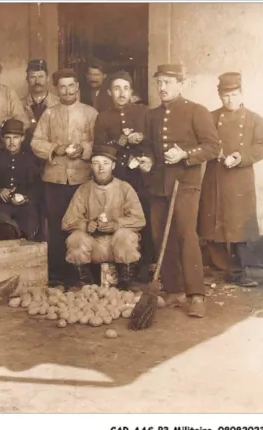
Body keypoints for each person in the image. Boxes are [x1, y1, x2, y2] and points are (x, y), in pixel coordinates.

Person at [137, 64, 221, 318]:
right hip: (158, 184)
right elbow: (151, 147)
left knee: (186, 234)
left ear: (181, 84)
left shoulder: (197, 111)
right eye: (159, 82)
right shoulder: (151, 116)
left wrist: (185, 154)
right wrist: (148, 160)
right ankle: (174, 290)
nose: (162, 87)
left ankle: (196, 295)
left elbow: (213, 147)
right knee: (160, 235)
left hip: (185, 183)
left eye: (168, 82)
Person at [199, 72, 263, 287]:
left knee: (239, 225)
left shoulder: (255, 119)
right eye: (225, 95)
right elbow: (203, 142)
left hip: (240, 179)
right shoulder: (210, 118)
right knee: (213, 223)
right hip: (215, 177)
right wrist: (214, 153)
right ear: (220, 96)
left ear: (241, 93)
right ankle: (220, 270)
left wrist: (240, 156)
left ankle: (240, 272)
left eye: (233, 94)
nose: (229, 99)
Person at [31, 68, 98, 286]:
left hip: (81, 179)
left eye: (71, 85)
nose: (67, 90)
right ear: (56, 89)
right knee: (57, 227)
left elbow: (99, 143)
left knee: (81, 225)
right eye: (62, 86)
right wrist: (56, 148)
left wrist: (84, 149)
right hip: (55, 180)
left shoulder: (90, 113)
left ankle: (81, 274)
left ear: (78, 87)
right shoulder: (49, 113)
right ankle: (59, 277)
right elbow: (36, 143)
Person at [94, 70, 155, 281]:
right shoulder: (102, 117)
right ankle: (121, 269)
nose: (122, 93)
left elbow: (153, 142)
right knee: (117, 219)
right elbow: (99, 147)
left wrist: (146, 152)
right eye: (117, 88)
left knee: (143, 219)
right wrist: (120, 141)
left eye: (126, 88)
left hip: (141, 177)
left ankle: (144, 267)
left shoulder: (144, 113)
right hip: (117, 177)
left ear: (131, 92)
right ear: (110, 91)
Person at [62, 145, 146, 289]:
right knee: (76, 238)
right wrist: (86, 224)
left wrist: (116, 224)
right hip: (93, 247)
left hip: (118, 247)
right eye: (96, 163)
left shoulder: (124, 188)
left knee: (125, 235)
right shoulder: (84, 190)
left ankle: (127, 282)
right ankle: (84, 282)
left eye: (106, 163)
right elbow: (66, 222)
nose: (101, 168)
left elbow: (139, 219)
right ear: (91, 166)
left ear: (113, 165)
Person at [0, 118, 41, 239]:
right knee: (1, 229)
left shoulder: (31, 159)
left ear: (22, 138)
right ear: (2, 139)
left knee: (28, 227)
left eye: (15, 137)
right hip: (0, 205)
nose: (12, 142)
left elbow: (37, 186)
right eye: (8, 138)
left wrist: (26, 198)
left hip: (25, 206)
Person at [21, 59, 60, 153]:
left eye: (41, 76)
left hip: (53, 153)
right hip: (27, 153)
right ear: (27, 79)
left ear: (48, 78)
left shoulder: (58, 103)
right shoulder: (19, 105)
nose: (37, 81)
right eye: (32, 77)